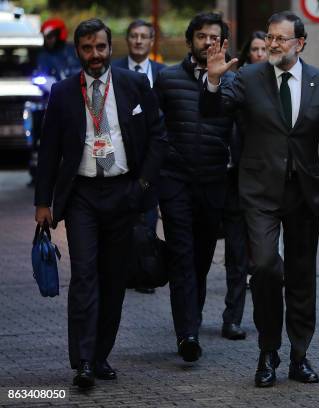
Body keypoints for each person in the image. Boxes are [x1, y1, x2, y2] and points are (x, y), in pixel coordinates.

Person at [202, 10, 319, 387]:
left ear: (299, 43)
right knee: (267, 268)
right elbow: (214, 112)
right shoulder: (248, 78)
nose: (272, 44)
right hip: (259, 192)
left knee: (302, 277)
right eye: (269, 37)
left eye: (280, 39)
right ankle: (267, 351)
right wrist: (212, 80)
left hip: (303, 191)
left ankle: (299, 355)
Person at [34, 18, 167, 388]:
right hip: (82, 196)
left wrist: (141, 186)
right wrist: (43, 201)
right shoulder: (62, 93)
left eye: (101, 48)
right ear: (78, 51)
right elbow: (49, 152)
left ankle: (101, 354)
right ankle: (83, 362)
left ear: (111, 48)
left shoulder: (134, 85)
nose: (95, 55)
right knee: (84, 277)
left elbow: (158, 138)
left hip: (124, 192)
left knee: (113, 280)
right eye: (88, 48)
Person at [154, 12, 236, 362]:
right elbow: (154, 130)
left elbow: (221, 114)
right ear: (190, 42)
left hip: (214, 181)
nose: (207, 43)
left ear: (224, 44)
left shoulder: (233, 81)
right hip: (175, 180)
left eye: (213, 38)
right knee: (181, 256)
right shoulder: (168, 78)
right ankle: (186, 333)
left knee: (201, 259)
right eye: (200, 36)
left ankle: (193, 317)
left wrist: (215, 81)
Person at [220, 30, 269, 340]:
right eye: (256, 48)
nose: (261, 54)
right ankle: (232, 318)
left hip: (264, 184)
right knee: (237, 256)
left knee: (262, 258)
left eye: (266, 48)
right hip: (232, 180)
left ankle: (265, 318)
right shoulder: (237, 85)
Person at [113, 19, 166, 295]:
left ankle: (144, 270)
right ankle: (122, 269)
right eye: (133, 36)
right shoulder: (114, 71)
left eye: (143, 36)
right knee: (121, 215)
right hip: (120, 156)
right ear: (128, 39)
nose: (138, 41)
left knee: (147, 216)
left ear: (151, 40)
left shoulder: (163, 73)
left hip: (153, 156)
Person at [29, 18, 81, 186]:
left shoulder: (73, 51)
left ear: (60, 35)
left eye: (51, 36)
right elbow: (38, 76)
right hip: (49, 104)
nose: (48, 40)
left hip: (75, 103)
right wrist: (47, 83)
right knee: (42, 139)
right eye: (46, 36)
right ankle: (38, 173)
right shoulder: (43, 55)